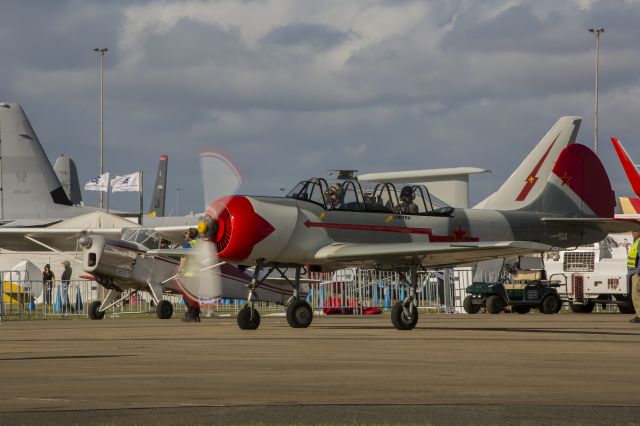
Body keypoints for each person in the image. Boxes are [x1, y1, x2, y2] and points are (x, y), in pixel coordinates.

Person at [179, 228, 201, 322]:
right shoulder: (200, 244)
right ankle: (195, 316)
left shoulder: (188, 245)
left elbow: (184, 258)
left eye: (186, 233)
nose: (185, 235)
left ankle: (191, 315)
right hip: (198, 273)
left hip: (189, 273)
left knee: (186, 295)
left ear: (190, 235)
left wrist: (179, 270)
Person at [627, 231, 640, 323]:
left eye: (634, 231)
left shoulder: (639, 241)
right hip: (634, 272)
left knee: (636, 296)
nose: (632, 233)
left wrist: (639, 273)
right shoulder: (637, 241)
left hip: (637, 273)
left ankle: (639, 316)